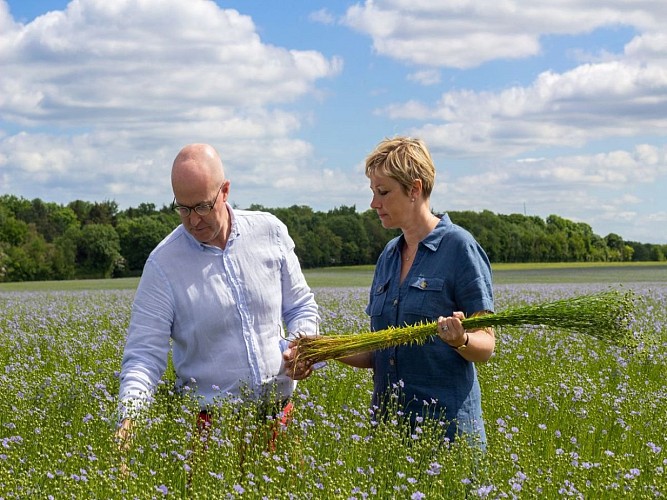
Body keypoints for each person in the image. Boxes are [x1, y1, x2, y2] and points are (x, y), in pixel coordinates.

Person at [116, 143, 319, 444]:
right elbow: (144, 355)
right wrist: (128, 419)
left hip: (280, 413)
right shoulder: (163, 265)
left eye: (202, 206)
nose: (193, 220)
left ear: (225, 191)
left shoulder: (270, 231)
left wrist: (302, 346)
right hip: (209, 428)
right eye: (183, 208)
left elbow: (301, 307)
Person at [340, 136, 495, 449]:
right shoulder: (388, 256)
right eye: (373, 192)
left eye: (383, 192)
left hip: (447, 437)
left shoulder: (459, 248)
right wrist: (326, 350)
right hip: (388, 432)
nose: (374, 204)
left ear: (414, 188)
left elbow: (486, 345)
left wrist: (460, 340)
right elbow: (382, 352)